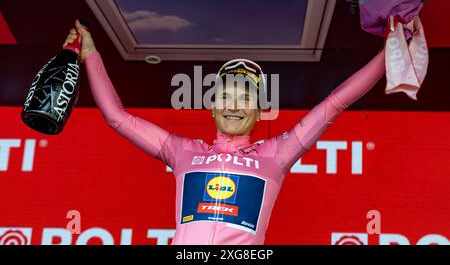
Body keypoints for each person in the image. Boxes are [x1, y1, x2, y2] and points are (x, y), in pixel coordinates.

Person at [64, 20, 386, 245]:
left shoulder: (275, 155)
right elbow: (117, 117)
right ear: (213, 107)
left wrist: (390, 53)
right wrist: (89, 51)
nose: (234, 106)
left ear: (260, 112)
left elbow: (335, 102)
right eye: (226, 96)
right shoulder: (183, 151)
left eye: (245, 98)